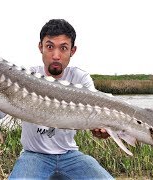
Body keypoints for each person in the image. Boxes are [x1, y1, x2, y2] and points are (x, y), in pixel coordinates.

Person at [8, 19, 114, 179]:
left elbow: (96, 117)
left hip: (70, 155)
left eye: (63, 48)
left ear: (72, 50)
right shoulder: (25, 77)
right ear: (40, 47)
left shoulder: (81, 78)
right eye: (50, 47)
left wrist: (104, 129)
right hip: (33, 156)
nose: (56, 56)